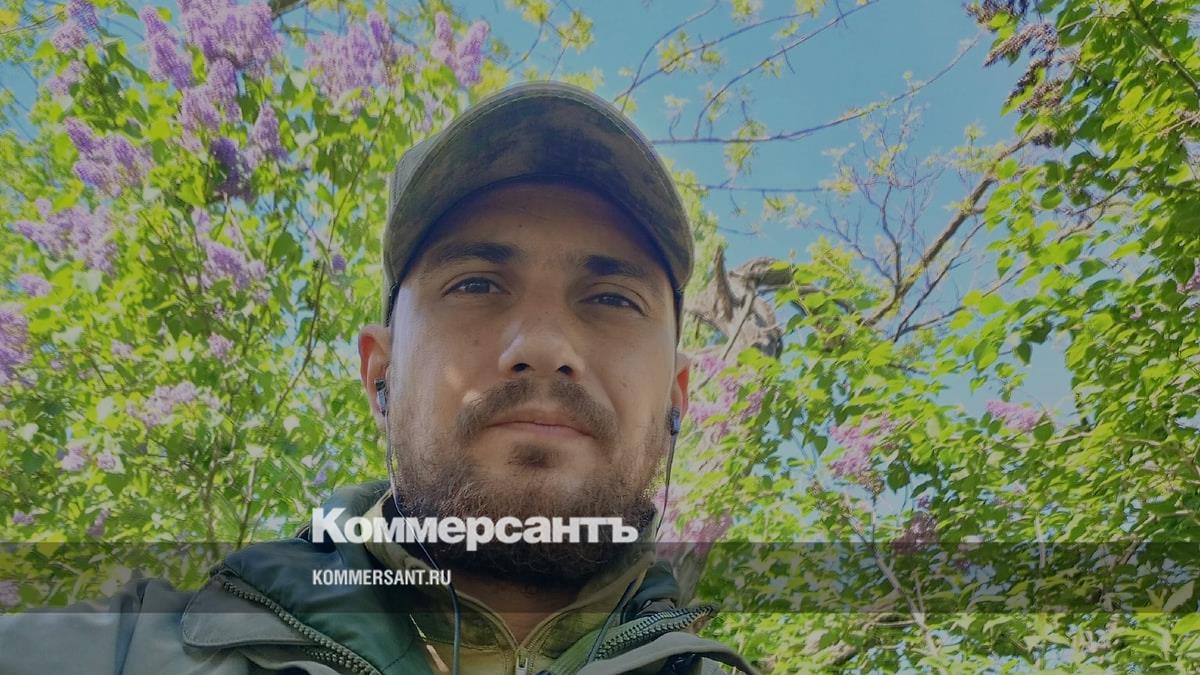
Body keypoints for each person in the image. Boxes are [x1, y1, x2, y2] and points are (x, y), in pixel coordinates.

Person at [0, 81, 759, 675]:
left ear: (676, 396)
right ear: (380, 373)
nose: (542, 345)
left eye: (612, 298)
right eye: (476, 284)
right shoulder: (125, 653)